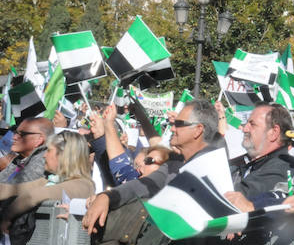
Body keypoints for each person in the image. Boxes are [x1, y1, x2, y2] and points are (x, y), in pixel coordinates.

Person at [82, 99, 221, 234]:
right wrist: (107, 196)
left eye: (178, 123)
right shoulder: (173, 164)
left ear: (197, 130)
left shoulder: (215, 167)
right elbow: (141, 185)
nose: (172, 127)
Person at [0, 131, 93, 245]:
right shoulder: (52, 179)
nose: (44, 156)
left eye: (49, 151)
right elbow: (14, 189)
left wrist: (6, 218)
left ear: (63, 155)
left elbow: (33, 196)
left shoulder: (83, 185)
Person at [0, 117, 54, 185]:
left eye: (22, 134)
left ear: (39, 140)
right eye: (15, 132)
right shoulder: (21, 158)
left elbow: (13, 191)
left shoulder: (41, 162)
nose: (14, 137)